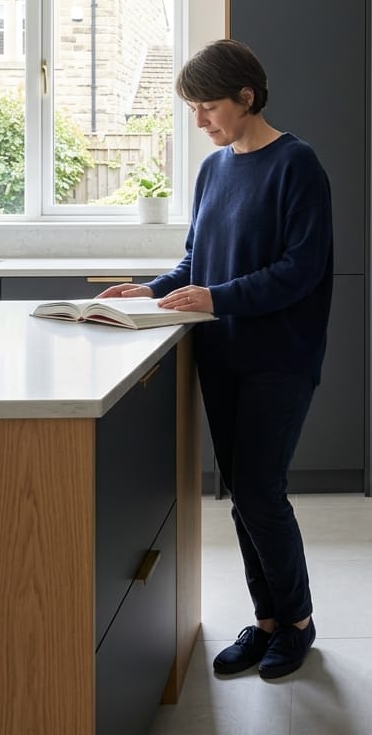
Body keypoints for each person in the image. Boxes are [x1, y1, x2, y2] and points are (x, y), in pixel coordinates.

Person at [99, 38, 333, 680]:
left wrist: (217, 297)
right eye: (193, 109)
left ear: (246, 97)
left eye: (207, 107)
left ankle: (299, 623)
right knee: (243, 495)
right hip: (221, 354)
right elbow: (195, 262)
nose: (199, 120)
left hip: (280, 358)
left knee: (260, 491)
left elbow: (301, 270)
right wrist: (151, 290)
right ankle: (268, 622)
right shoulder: (213, 170)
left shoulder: (297, 164)